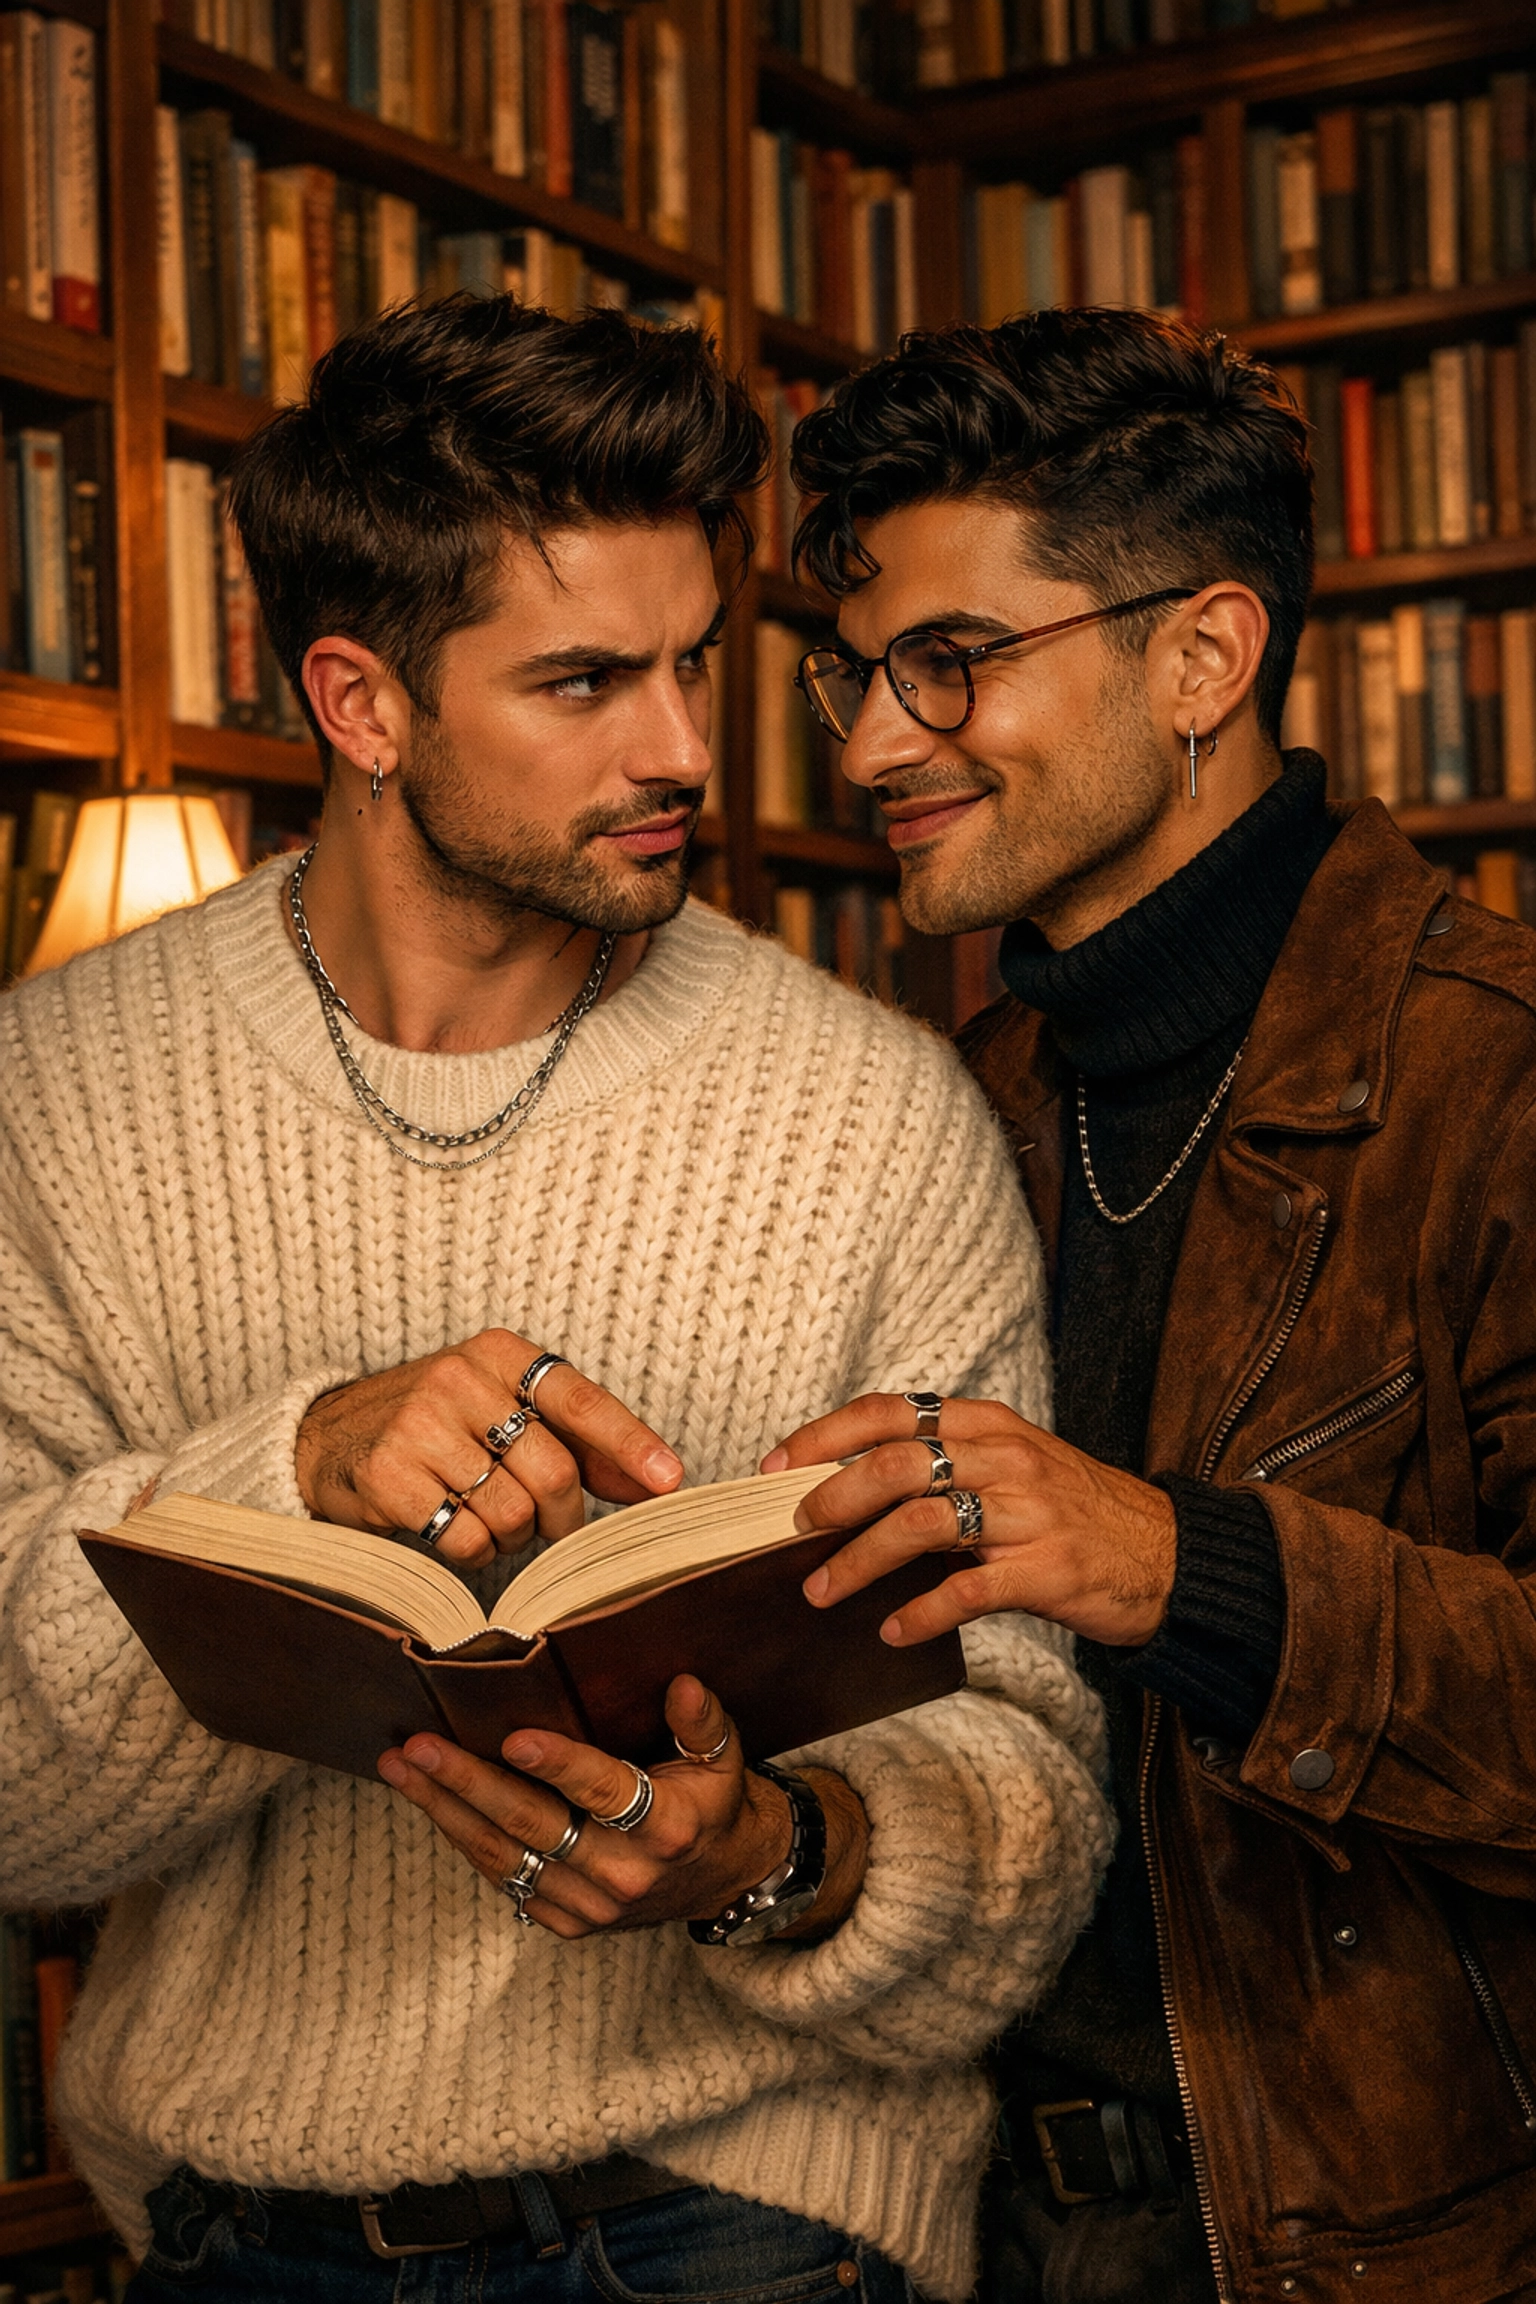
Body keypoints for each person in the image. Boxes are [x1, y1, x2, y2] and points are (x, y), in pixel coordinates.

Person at [0, 295, 1112, 2304]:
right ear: (361, 702)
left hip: (748, 2223)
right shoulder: (52, 1098)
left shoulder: (871, 1110)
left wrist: (777, 1857)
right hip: (235, 2237)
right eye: (587, 682)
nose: (685, 748)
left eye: (696, 663)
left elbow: (1032, 1779)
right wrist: (294, 1475)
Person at [764, 305, 1536, 2304]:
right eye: (853, 675)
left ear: (1201, 656)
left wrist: (1179, 1565)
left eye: (953, 663)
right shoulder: (947, 1107)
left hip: (1372, 2246)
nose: (866, 747)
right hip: (964, 2219)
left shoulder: (1500, 1076)